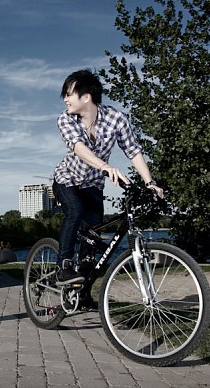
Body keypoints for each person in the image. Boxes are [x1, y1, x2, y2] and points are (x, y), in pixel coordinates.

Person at [51, 70, 164, 296]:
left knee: (92, 241)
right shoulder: (66, 119)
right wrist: (104, 166)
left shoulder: (116, 119)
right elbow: (78, 148)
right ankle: (63, 266)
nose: (65, 99)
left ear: (86, 97)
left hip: (93, 185)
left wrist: (150, 183)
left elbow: (133, 151)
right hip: (67, 179)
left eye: (69, 94)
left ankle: (82, 294)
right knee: (75, 212)